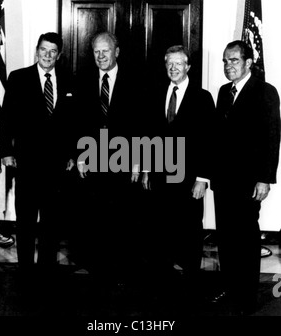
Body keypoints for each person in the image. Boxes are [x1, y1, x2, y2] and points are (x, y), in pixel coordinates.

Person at [210, 40, 280, 315]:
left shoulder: (265, 92)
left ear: (249, 62)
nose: (229, 66)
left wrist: (265, 178)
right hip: (224, 180)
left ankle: (247, 296)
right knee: (226, 236)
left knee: (246, 237)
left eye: (234, 60)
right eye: (226, 61)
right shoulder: (223, 92)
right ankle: (230, 287)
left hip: (250, 182)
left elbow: (272, 137)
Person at [141, 45, 215, 300]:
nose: (173, 69)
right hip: (161, 176)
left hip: (189, 179)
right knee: (160, 228)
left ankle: (192, 283)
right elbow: (150, 135)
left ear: (188, 67)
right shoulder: (156, 93)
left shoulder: (202, 97)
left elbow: (209, 140)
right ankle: (163, 283)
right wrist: (148, 169)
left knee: (190, 230)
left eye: (178, 64)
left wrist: (203, 178)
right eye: (169, 64)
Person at [0, 32, 74, 274]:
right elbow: (6, 119)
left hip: (56, 165)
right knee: (26, 222)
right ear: (36, 50)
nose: (48, 55)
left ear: (59, 55)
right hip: (27, 163)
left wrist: (73, 154)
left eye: (53, 51)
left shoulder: (69, 80)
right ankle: (26, 270)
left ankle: (46, 270)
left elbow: (75, 123)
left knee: (51, 222)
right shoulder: (19, 78)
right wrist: (6, 152)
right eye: (44, 49)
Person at [73, 32, 144, 287]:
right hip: (92, 157)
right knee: (95, 216)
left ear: (117, 51)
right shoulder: (83, 79)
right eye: (96, 52)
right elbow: (78, 121)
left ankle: (121, 272)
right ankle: (98, 271)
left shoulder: (135, 79)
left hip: (124, 158)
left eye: (105, 51)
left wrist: (138, 159)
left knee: (123, 217)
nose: (101, 56)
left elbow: (141, 123)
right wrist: (80, 155)